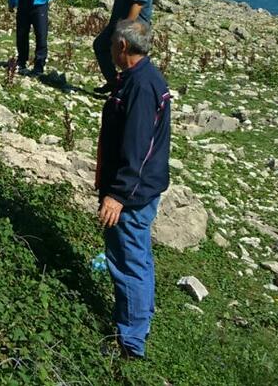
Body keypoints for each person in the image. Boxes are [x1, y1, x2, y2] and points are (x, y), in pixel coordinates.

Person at [95, 19, 171, 360]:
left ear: (123, 46)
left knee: (127, 262)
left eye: (113, 43)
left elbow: (137, 146)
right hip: (140, 189)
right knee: (138, 257)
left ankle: (130, 341)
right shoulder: (139, 78)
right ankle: (140, 320)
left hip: (132, 194)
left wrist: (117, 195)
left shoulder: (140, 86)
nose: (110, 49)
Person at [93, 0, 154, 93]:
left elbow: (138, 3)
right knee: (100, 45)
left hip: (133, 26)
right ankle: (114, 83)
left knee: (129, 59)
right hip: (118, 22)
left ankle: (128, 90)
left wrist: (125, 29)